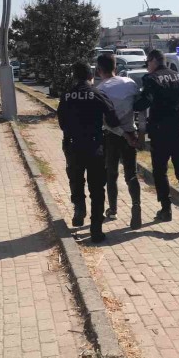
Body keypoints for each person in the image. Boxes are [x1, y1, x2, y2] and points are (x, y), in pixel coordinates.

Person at [134, 49, 179, 228]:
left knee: (160, 171)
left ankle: (166, 209)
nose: (147, 67)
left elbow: (145, 101)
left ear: (154, 61)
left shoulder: (151, 79)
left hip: (161, 133)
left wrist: (133, 104)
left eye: (147, 63)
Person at [57, 61, 121, 243]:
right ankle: (96, 230)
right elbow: (113, 119)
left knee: (76, 180)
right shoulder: (97, 94)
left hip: (73, 145)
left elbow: (61, 121)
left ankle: (79, 207)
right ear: (91, 76)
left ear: (74, 77)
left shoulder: (67, 96)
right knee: (97, 189)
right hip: (95, 146)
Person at [95, 53, 144, 230]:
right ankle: (136, 204)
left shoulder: (100, 89)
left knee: (111, 173)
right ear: (115, 66)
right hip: (131, 132)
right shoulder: (130, 83)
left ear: (99, 70)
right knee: (131, 173)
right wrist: (139, 134)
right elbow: (141, 108)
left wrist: (123, 134)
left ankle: (113, 210)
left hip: (112, 136)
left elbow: (106, 121)